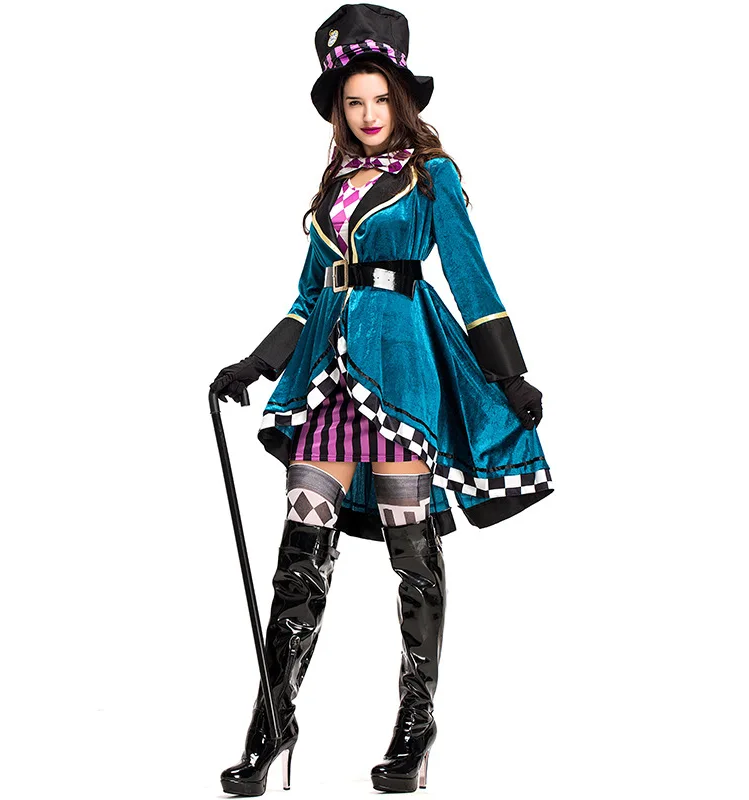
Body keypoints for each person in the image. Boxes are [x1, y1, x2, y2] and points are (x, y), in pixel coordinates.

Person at [210, 4, 554, 795]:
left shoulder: (432, 176)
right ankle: (272, 723)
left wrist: (508, 374)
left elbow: (468, 274)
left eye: (379, 99)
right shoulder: (333, 185)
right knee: (299, 555)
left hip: (401, 374)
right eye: (353, 101)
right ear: (339, 109)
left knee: (412, 555)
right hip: (325, 380)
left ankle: (415, 727)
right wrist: (257, 362)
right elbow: (309, 295)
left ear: (401, 100)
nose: (368, 114)